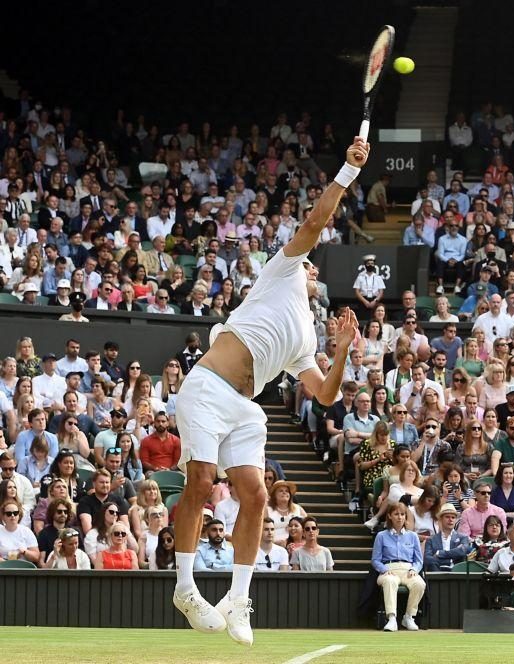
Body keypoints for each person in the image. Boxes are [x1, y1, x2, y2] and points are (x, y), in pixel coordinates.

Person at [171, 137, 369, 645]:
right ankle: (186, 588)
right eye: (310, 265)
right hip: (208, 387)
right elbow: (314, 224)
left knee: (256, 494)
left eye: (312, 268)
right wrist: (346, 173)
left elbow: (324, 395)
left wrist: (342, 350)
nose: (312, 268)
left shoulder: (306, 336)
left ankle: (238, 599)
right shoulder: (279, 271)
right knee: (201, 482)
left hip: (245, 408)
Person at [371, 502, 426, 632]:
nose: (400, 517)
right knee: (390, 582)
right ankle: (391, 618)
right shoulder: (381, 536)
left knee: (419, 584)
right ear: (390, 516)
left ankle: (409, 617)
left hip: (408, 570)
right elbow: (375, 560)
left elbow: (418, 560)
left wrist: (414, 569)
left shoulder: (413, 536)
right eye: (396, 514)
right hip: (389, 570)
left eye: (402, 514)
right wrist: (385, 570)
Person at [424, 503, 470, 571]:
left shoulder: (463, 538)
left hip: (457, 573)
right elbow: (428, 558)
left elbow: (462, 551)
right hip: (437, 573)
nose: (450, 520)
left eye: (453, 517)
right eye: (447, 517)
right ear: (441, 519)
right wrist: (452, 556)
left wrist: (440, 553)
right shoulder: (431, 539)